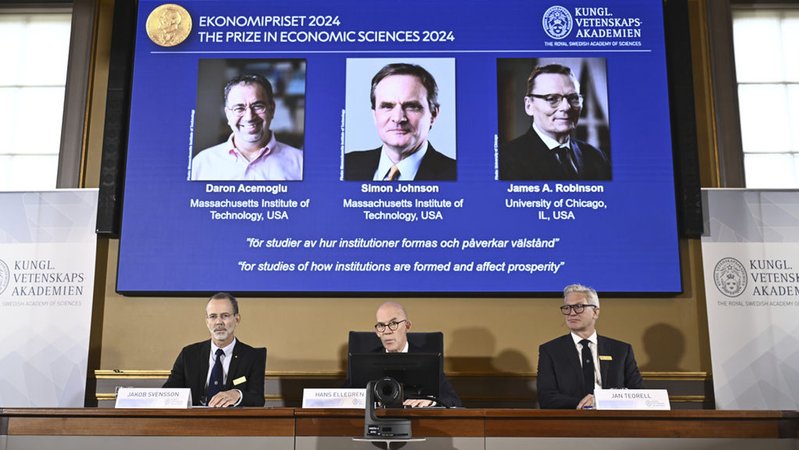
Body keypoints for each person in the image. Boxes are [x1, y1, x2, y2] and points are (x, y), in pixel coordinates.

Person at [537, 284, 643, 409]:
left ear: (595, 312)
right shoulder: (551, 350)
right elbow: (546, 397)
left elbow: (639, 393)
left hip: (613, 417)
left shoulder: (621, 350)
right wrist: (583, 403)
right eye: (567, 308)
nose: (571, 313)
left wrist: (604, 402)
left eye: (579, 307)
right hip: (571, 417)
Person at [344, 63, 456, 181]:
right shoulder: (345, 166)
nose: (398, 118)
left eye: (411, 106)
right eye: (387, 106)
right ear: (375, 115)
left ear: (433, 114)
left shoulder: (455, 174)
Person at [499, 64, 610, 181]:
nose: (566, 107)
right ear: (529, 106)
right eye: (552, 99)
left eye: (573, 98)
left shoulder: (597, 158)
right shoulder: (504, 159)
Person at [345, 301, 462, 407]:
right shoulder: (366, 363)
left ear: (407, 326)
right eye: (381, 326)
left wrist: (432, 401)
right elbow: (341, 398)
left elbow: (453, 401)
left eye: (393, 323)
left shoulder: (427, 361)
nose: (387, 331)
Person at [191, 74, 303, 181]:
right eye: (239, 108)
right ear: (228, 114)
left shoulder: (301, 163)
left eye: (258, 106)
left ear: (272, 109)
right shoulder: (202, 163)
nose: (249, 117)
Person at [163, 292, 266, 407]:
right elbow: (168, 392)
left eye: (225, 316)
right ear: (207, 322)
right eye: (213, 316)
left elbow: (257, 399)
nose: (218, 322)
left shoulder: (253, 357)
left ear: (237, 319)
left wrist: (238, 394)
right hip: (195, 417)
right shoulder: (189, 354)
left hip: (233, 417)